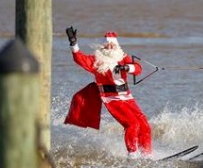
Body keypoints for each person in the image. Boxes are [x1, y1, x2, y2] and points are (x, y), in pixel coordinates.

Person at [64, 27, 153, 157]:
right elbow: (79, 58)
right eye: (107, 44)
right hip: (111, 99)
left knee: (144, 124)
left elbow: (138, 69)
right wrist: (73, 44)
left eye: (113, 44)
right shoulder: (97, 61)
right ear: (102, 46)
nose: (110, 46)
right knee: (132, 124)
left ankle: (146, 155)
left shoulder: (123, 57)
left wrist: (127, 67)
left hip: (126, 97)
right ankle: (132, 155)